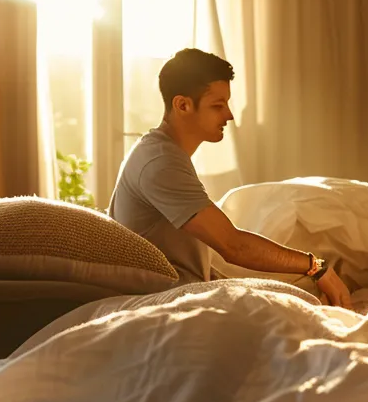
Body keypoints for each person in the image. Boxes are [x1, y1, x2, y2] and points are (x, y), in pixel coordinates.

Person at [107, 48, 353, 308]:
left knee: (299, 297)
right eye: (217, 105)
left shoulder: (163, 154)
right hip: (167, 302)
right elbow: (234, 246)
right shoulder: (160, 163)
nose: (229, 115)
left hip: (186, 290)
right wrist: (316, 267)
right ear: (183, 105)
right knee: (297, 303)